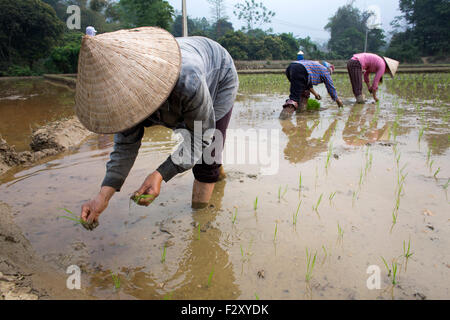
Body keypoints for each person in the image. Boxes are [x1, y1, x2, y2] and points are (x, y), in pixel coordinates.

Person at [75, 27, 238, 228]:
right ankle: (217, 173)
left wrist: (161, 173)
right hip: (184, 85)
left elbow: (199, 136)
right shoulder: (124, 96)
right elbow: (125, 145)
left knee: (207, 155)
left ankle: (202, 226)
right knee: (205, 153)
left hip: (218, 76)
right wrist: (103, 196)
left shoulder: (188, 80)